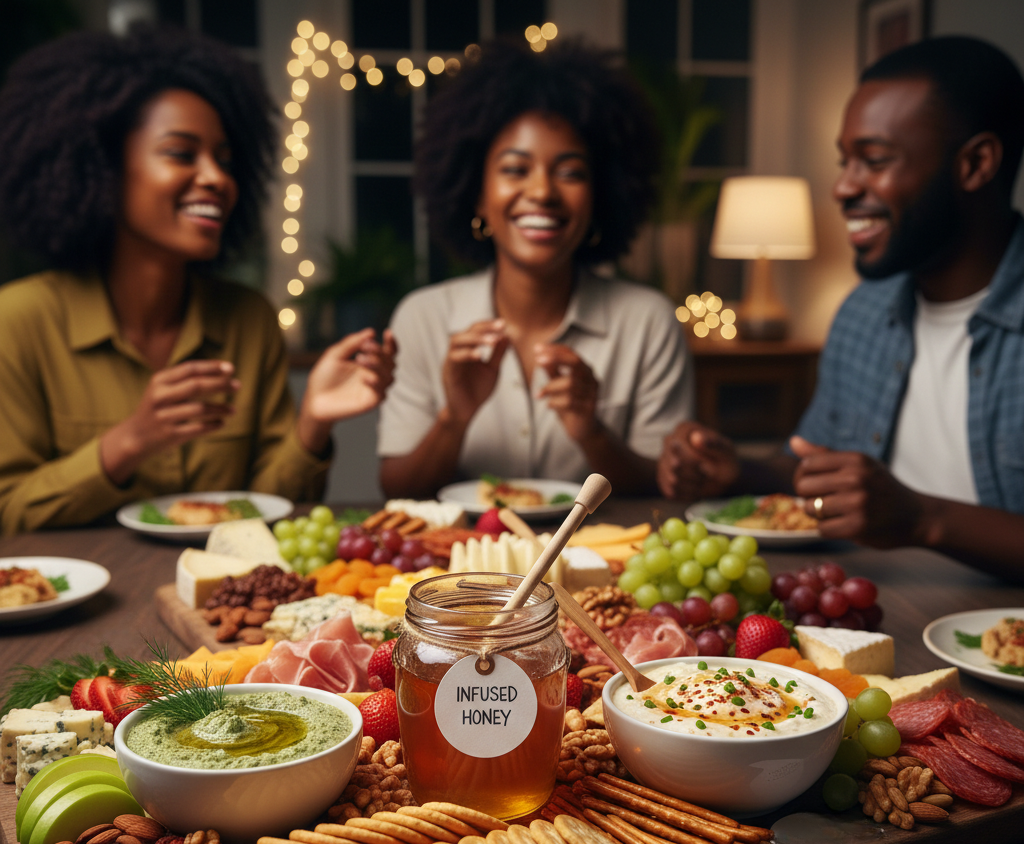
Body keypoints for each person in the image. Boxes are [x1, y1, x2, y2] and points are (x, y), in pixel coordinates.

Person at [0, 28, 395, 535]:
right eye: (182, 154)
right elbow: (8, 514)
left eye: (226, 160)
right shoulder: (19, 322)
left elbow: (268, 511)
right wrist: (130, 440)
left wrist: (313, 422)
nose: (217, 178)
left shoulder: (248, 320)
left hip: (222, 604)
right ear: (103, 170)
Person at [658, 36, 1024, 582]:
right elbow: (824, 468)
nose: (842, 187)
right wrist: (738, 471)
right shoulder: (864, 310)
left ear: (975, 164)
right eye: (845, 161)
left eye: (873, 161)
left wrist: (924, 518)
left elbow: (905, 513)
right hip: (868, 611)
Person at [377, 40, 693, 498]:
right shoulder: (421, 317)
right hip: (466, 565)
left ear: (600, 198)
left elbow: (662, 491)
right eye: (515, 169)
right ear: (477, 196)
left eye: (570, 172)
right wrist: (455, 417)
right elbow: (397, 491)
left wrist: (592, 432)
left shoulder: (648, 322)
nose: (543, 191)